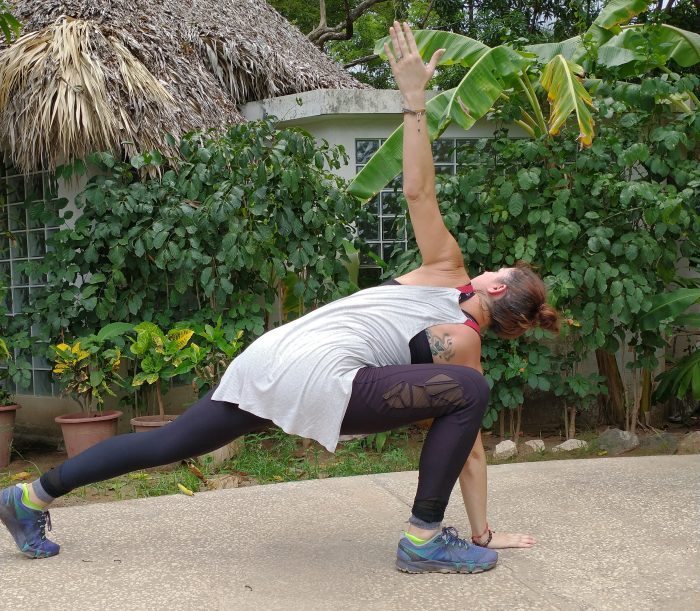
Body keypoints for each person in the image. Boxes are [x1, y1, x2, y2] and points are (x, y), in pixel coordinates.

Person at [0, 22, 559, 573]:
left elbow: (417, 190)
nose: (492, 267)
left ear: (495, 286)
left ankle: (30, 498)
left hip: (271, 358)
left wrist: (415, 102)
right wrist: (486, 532)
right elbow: (472, 450)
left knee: (167, 443)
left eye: (501, 268)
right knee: (469, 389)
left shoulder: (444, 269)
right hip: (320, 375)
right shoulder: (461, 340)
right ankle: (423, 538)